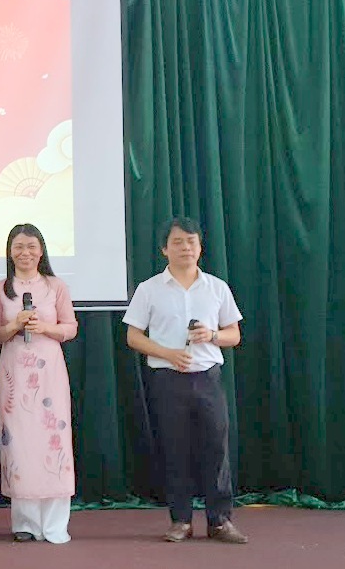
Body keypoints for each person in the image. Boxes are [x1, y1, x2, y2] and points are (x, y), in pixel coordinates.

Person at [124, 216, 247, 544]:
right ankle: (180, 520)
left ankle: (220, 520)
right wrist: (167, 353)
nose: (185, 248)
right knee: (174, 449)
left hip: (208, 378)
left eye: (191, 242)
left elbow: (234, 334)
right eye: (177, 242)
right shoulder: (149, 289)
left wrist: (212, 335)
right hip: (168, 379)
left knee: (216, 449)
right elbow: (133, 336)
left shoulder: (217, 287)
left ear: (200, 247)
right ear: (164, 249)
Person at [0, 223, 78, 543]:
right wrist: (14, 325)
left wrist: (45, 328)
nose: (24, 253)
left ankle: (54, 524)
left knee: (53, 439)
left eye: (31, 246)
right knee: (19, 443)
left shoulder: (55, 286)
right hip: (14, 374)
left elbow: (71, 327)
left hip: (49, 371)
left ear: (41, 251)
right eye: (18, 247)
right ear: (10, 252)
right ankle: (24, 523)